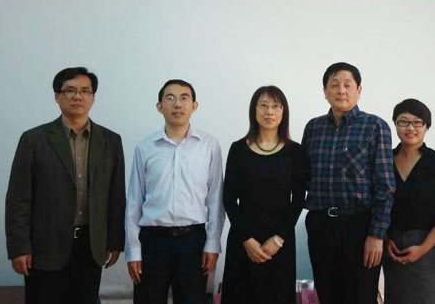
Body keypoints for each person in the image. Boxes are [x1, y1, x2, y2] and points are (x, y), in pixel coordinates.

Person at [5, 67, 126, 304]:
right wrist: (19, 247)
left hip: (91, 245)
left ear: (93, 98)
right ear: (57, 96)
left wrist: (114, 241)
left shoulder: (111, 141)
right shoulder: (34, 139)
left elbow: (116, 196)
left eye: (85, 91)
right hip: (45, 245)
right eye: (70, 90)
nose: (78, 96)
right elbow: (18, 199)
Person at [301, 62, 396, 304]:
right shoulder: (313, 128)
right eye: (334, 85)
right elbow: (304, 176)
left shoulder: (375, 126)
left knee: (360, 296)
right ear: (325, 91)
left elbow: (385, 186)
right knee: (328, 295)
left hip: (360, 227)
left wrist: (376, 235)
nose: (341, 90)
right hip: (321, 225)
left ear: (359, 90)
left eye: (347, 85)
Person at [125, 79, 225, 304]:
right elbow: (134, 201)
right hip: (152, 241)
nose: (177, 104)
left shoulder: (209, 145)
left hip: (193, 241)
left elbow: (215, 199)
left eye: (184, 98)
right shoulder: (145, 147)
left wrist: (213, 243)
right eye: (170, 98)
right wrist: (133, 250)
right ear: (159, 107)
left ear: (194, 106)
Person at [221, 86, 306, 304]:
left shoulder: (295, 152)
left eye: (276, 106)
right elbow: (229, 198)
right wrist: (247, 240)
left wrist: (278, 239)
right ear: (254, 110)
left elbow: (298, 199)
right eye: (264, 105)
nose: (270, 111)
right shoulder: (238, 149)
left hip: (279, 242)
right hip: (243, 240)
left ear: (283, 112)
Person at [382, 99, 435, 304]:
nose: (410, 128)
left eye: (417, 122)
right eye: (403, 121)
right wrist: (385, 239)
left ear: (427, 126)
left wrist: (423, 247)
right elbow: (375, 203)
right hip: (393, 248)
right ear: (395, 124)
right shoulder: (383, 160)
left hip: (431, 249)